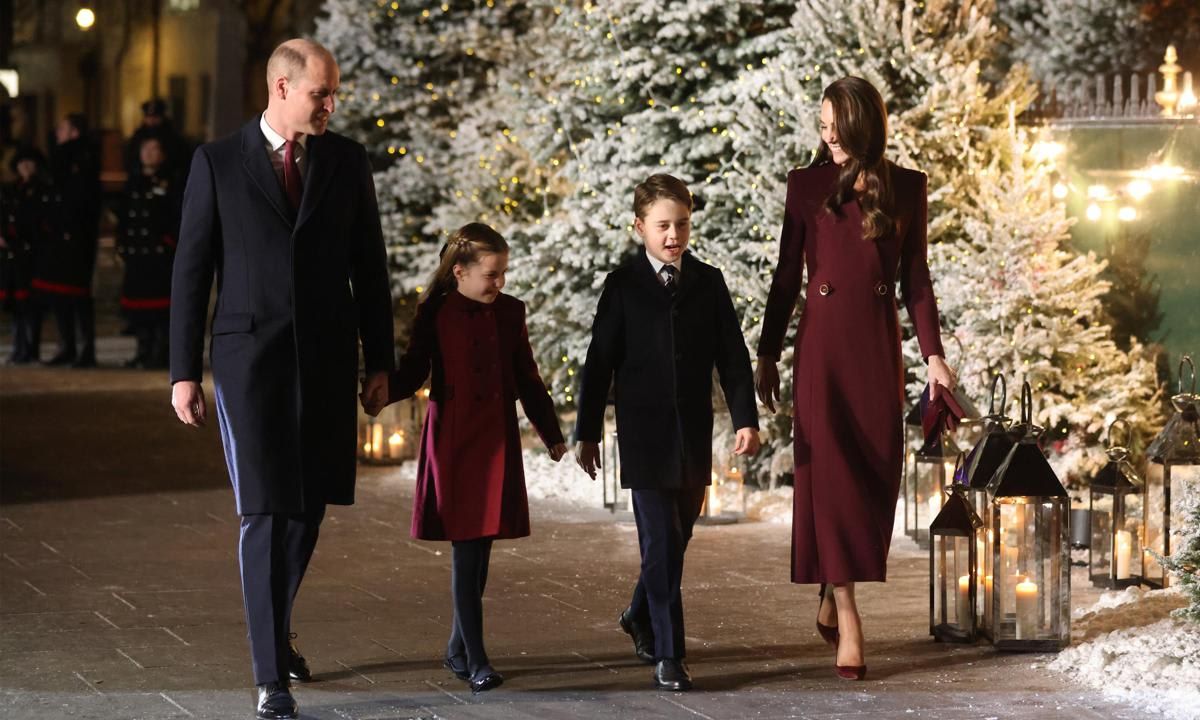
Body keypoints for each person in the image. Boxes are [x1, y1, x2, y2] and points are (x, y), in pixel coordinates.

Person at [169, 39, 393, 720]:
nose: (332, 104)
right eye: (321, 93)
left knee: (310, 506)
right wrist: (183, 373)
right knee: (264, 508)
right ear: (280, 88)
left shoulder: (347, 161)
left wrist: (379, 360)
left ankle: (275, 622)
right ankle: (271, 676)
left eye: (334, 94)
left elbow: (371, 267)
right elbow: (191, 270)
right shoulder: (217, 163)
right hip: (248, 361)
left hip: (326, 359)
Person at [754, 77, 957, 681]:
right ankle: (848, 610)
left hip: (876, 351)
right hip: (821, 350)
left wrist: (934, 356)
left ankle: (828, 579)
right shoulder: (806, 185)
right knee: (833, 475)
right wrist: (767, 352)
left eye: (838, 123)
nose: (829, 135)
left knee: (871, 474)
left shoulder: (907, 188)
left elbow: (916, 279)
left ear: (864, 123)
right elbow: (787, 276)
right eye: (822, 124)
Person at [574, 174, 760, 692]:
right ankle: (669, 652)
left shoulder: (709, 282)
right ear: (640, 228)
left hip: (692, 435)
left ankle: (638, 613)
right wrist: (588, 431)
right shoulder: (623, 286)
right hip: (645, 436)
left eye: (681, 224)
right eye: (662, 225)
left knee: (676, 538)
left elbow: (733, 357)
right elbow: (598, 363)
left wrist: (746, 417)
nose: (673, 234)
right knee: (659, 541)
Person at [363, 222, 568, 694]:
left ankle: (458, 647)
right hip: (454, 441)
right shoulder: (436, 313)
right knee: (466, 550)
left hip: (495, 439)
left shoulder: (511, 313)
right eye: (492, 275)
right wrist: (383, 392)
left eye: (503, 274)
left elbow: (527, 377)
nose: (500, 284)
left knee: (481, 551)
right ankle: (475, 658)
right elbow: (415, 370)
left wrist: (551, 433)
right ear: (459, 271)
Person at [33, 114, 100, 367]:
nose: (57, 132)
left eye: (62, 128)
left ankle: (86, 349)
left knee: (79, 296)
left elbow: (82, 199)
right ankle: (67, 346)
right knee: (58, 294)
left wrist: (71, 230)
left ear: (74, 132)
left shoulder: (83, 158)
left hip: (76, 239)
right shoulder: (60, 157)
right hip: (57, 237)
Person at [117, 135, 181, 368]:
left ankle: (160, 352)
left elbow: (177, 215)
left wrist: (168, 242)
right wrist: (122, 244)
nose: (149, 153)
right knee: (138, 308)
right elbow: (123, 216)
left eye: (155, 149)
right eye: (146, 149)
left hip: (159, 255)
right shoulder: (133, 181)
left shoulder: (171, 181)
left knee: (160, 309)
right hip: (137, 254)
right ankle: (142, 350)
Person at [0, 147, 49, 363]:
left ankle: (32, 349)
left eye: (29, 164)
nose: (26, 168)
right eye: (22, 164)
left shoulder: (41, 191)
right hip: (11, 254)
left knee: (31, 306)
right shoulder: (10, 190)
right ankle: (18, 347)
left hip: (32, 255)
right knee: (17, 307)